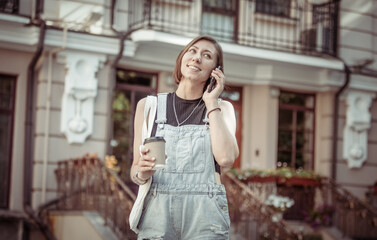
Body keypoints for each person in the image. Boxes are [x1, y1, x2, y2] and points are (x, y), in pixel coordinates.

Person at [130, 35, 239, 240]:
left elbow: (225, 159)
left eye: (206, 55)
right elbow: (136, 169)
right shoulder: (149, 107)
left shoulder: (222, 108)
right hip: (156, 213)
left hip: (205, 215)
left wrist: (211, 101)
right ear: (182, 58)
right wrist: (143, 173)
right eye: (192, 51)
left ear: (216, 71)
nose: (197, 58)